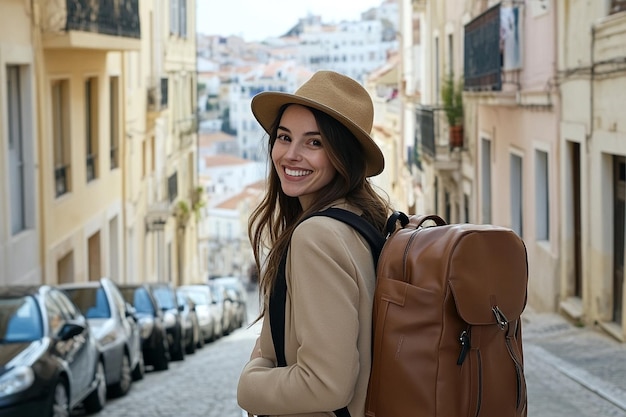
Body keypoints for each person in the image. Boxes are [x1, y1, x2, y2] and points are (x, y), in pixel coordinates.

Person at [237, 70, 392, 417]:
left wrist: (249, 384)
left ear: (343, 156)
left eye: (314, 142)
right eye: (284, 137)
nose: (290, 155)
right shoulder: (364, 219)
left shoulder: (316, 236)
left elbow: (326, 384)